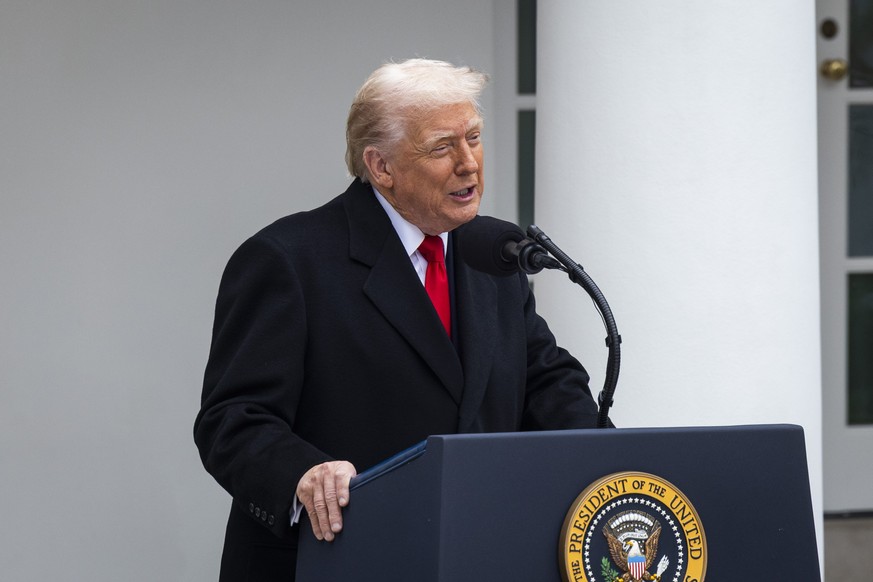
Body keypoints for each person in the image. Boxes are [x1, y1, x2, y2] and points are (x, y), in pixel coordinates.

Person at [194, 58, 602, 582]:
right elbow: (231, 420)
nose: (469, 163)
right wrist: (302, 473)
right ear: (381, 167)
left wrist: (605, 458)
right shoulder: (289, 260)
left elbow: (545, 380)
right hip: (335, 560)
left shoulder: (492, 253)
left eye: (474, 138)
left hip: (473, 554)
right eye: (441, 147)